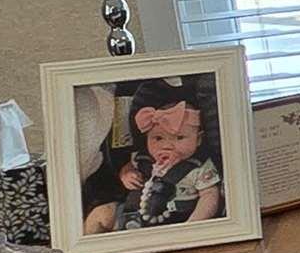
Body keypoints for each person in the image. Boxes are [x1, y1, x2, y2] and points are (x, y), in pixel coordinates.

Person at [81, 79, 224, 232]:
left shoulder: (200, 168)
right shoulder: (141, 159)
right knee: (100, 215)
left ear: (199, 139)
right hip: (133, 216)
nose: (167, 145)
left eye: (179, 138)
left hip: (177, 221)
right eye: (158, 138)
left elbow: (210, 196)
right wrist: (126, 173)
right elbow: (126, 167)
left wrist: (191, 225)